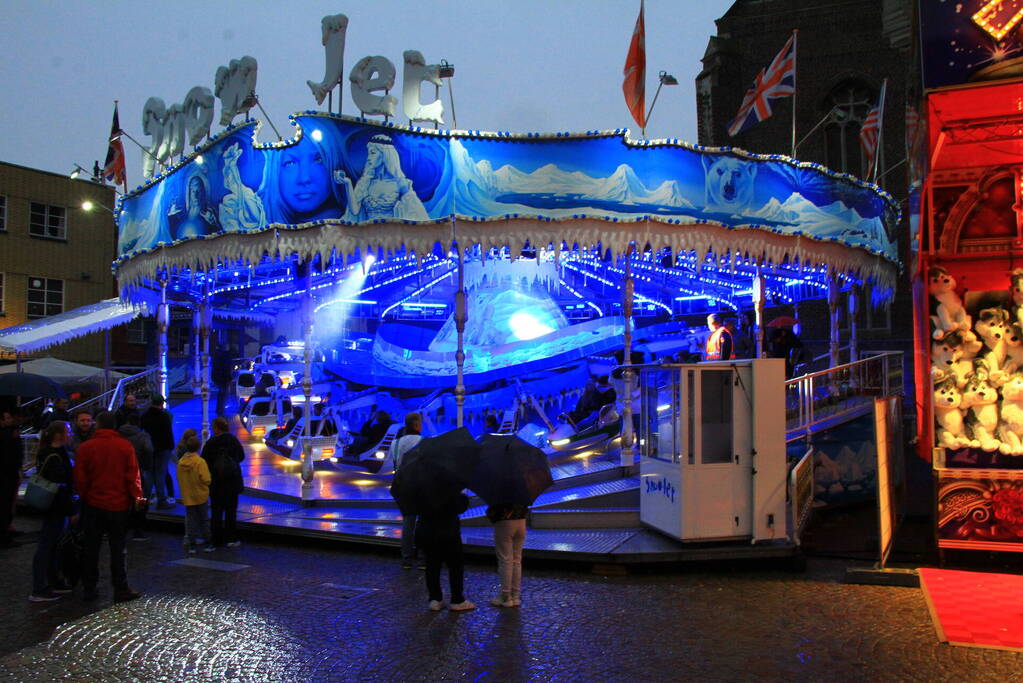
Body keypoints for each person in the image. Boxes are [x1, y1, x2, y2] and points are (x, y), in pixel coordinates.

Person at [74, 411, 144, 602]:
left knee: (91, 548)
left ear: (97, 425)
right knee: (118, 548)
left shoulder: (86, 448)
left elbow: (80, 478)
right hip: (118, 504)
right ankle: (120, 587)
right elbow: (132, 476)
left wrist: (83, 496)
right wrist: (137, 498)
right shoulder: (124, 446)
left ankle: (89, 587)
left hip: (93, 503)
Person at [29, 421, 76, 601]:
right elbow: (61, 484)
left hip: (55, 505)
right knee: (47, 544)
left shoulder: (50, 453)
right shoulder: (55, 455)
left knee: (52, 544)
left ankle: (51, 581)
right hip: (56, 505)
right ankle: (40, 586)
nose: (70, 434)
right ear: (58, 434)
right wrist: (71, 508)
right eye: (68, 431)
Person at [339, 134, 430, 222]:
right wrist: (347, 183)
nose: (368, 158)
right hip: (367, 233)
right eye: (369, 153)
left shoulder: (400, 183)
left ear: (384, 155)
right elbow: (354, 211)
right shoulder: (365, 182)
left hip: (389, 234)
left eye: (373, 153)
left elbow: (416, 212)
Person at [257, 134, 344, 224]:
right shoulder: (253, 215)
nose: (304, 179)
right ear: (273, 171)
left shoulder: (351, 219)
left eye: (318, 160)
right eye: (290, 163)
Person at [416, 489, 474, 612]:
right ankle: (457, 599)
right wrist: (463, 496)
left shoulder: (420, 482)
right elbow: (459, 507)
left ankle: (435, 599)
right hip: (448, 531)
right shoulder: (447, 483)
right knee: (455, 566)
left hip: (427, 530)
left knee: (432, 565)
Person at [201, 416, 245, 548]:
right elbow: (242, 456)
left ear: (216, 428)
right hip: (232, 482)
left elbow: (204, 461)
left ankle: (216, 539)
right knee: (231, 511)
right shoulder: (233, 440)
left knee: (216, 512)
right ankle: (231, 538)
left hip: (216, 483)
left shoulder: (211, 443)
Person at [389, 412, 423, 570]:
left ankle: (406, 558)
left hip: (402, 486)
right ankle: (423, 557)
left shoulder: (394, 443)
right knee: (423, 522)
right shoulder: (423, 442)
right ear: (416, 425)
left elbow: (394, 463)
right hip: (420, 484)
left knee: (408, 522)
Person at [118, 413, 154, 541]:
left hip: (121, 470)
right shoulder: (142, 436)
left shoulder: (119, 433)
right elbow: (149, 450)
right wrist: (147, 465)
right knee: (140, 499)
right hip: (138, 470)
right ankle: (138, 529)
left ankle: (122, 527)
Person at [177, 435, 214, 555]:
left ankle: (192, 544)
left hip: (188, 496)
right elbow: (206, 479)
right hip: (201, 495)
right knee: (204, 519)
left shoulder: (181, 462)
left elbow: (179, 478)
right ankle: (208, 543)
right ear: (198, 448)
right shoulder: (200, 462)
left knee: (191, 520)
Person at [487, 503, 528, 608]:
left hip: (504, 523)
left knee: (505, 560)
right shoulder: (520, 490)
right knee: (517, 560)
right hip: (521, 521)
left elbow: (492, 512)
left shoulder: (500, 492)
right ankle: (516, 596)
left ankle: (505, 596)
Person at [141, 394, 175, 509]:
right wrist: (171, 447)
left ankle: (145, 498)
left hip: (149, 449)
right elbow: (168, 433)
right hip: (162, 448)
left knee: (149, 474)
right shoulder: (164, 416)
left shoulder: (144, 416)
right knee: (160, 474)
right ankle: (161, 499)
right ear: (161, 403)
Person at [0, 409, 24, 548]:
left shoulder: (11, 433)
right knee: (5, 504)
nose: (10, 420)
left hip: (9, 473)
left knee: (7, 504)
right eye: (7, 418)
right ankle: (4, 535)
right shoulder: (7, 435)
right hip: (6, 474)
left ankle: (6, 530)